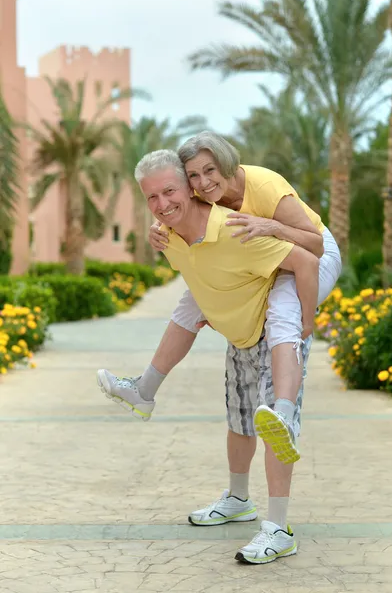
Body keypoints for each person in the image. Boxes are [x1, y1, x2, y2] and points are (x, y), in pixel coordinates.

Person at [98, 149, 319, 564]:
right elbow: (197, 293)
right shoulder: (171, 235)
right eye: (152, 198)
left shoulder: (236, 228)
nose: (162, 204)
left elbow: (308, 259)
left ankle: (277, 528)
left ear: (191, 190)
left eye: (170, 191)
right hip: (241, 332)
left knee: (273, 422)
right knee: (240, 421)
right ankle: (238, 499)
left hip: (276, 331)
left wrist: (307, 325)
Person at [98, 132, 342, 464]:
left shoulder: (265, 186)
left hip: (314, 252)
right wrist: (159, 226)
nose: (203, 182)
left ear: (226, 162)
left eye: (210, 170)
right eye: (194, 176)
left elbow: (313, 247)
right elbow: (176, 206)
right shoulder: (201, 192)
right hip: (277, 251)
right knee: (191, 300)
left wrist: (272, 226)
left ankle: (283, 413)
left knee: (282, 312)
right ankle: (144, 390)